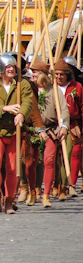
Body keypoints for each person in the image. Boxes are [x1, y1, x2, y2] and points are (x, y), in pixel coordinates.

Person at [0, 54, 33, 214]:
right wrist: (5, 108)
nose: (11, 69)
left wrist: (22, 114)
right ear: (2, 68)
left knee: (12, 168)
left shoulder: (22, 84)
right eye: (8, 67)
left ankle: (9, 201)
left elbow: (28, 102)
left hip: (14, 131)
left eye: (13, 67)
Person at [30, 59, 70, 207]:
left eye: (35, 72)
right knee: (30, 163)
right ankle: (33, 191)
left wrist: (64, 126)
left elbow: (64, 110)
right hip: (32, 130)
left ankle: (46, 195)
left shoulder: (54, 89)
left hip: (50, 130)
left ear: (42, 74)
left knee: (49, 161)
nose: (32, 75)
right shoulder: (29, 89)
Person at [54, 58, 83, 199]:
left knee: (73, 154)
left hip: (72, 125)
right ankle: (58, 185)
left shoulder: (77, 87)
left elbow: (82, 107)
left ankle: (70, 185)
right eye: (56, 74)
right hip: (54, 125)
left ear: (67, 75)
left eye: (62, 74)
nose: (59, 77)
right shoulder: (51, 87)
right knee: (56, 157)